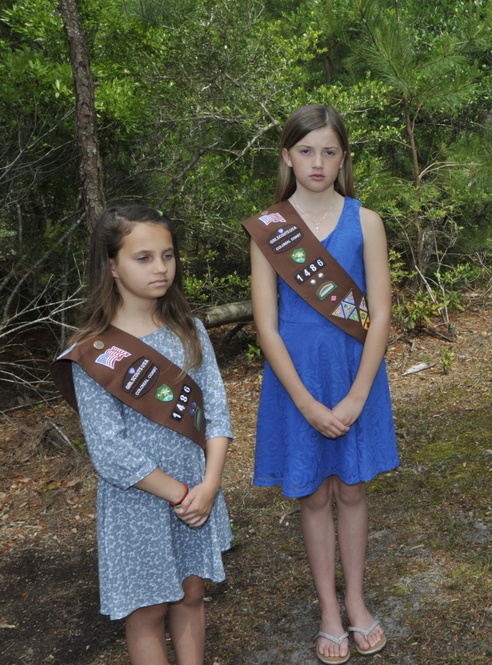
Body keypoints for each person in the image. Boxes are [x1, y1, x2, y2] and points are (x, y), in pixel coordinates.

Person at [248, 104, 399, 664]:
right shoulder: (269, 229)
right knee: (313, 494)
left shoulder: (367, 222)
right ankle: (329, 611)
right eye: (306, 151)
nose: (318, 162)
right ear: (287, 156)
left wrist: (358, 395)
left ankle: (356, 601)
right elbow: (266, 326)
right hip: (297, 379)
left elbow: (380, 314)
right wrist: (306, 402)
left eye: (329, 152)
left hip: (356, 371)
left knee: (353, 488)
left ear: (343, 159)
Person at [52, 205, 232, 664]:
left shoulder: (189, 330)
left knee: (192, 594)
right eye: (144, 258)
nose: (160, 268)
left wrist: (209, 485)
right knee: (147, 611)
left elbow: (216, 412)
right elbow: (108, 448)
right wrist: (180, 495)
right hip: (137, 502)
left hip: (198, 489)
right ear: (112, 265)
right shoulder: (93, 350)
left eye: (167, 255)